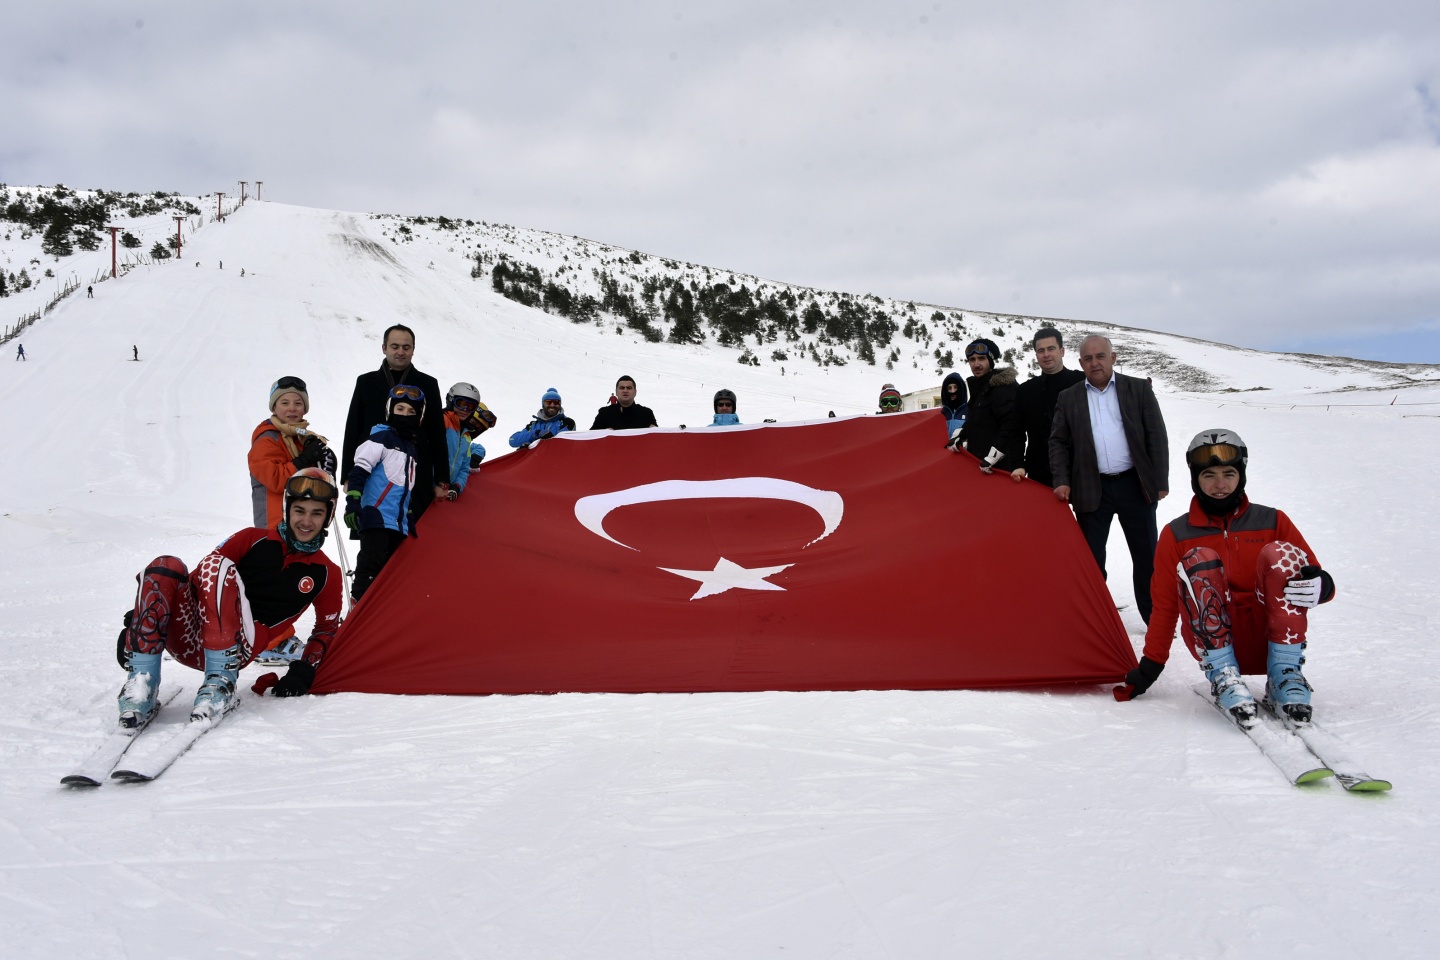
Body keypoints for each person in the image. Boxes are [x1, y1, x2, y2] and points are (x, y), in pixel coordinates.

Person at [1117, 430, 1335, 725]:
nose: (1220, 484)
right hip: (1214, 644)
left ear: (1241, 475)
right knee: (1199, 558)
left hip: (1271, 639)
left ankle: (1285, 674)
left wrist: (1322, 585)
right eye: (1209, 475)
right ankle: (1224, 676)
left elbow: (1313, 573)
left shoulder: (1273, 521)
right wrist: (1151, 665)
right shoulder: (1177, 533)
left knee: (1281, 552)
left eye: (1229, 473)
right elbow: (1165, 606)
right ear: (1195, 478)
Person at [114, 468, 343, 727]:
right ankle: (141, 684)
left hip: (239, 649)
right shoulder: (251, 539)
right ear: (288, 509)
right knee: (166, 566)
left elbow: (326, 629)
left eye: (317, 513)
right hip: (190, 640)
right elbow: (196, 582)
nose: (306, 521)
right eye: (300, 510)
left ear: (327, 517)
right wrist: (142, 623)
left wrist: (306, 669)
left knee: (219, 568)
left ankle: (220, 683)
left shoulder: (327, 573)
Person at [1049, 334, 1169, 623]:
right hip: (1091, 488)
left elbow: (1156, 435)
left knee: (1146, 557)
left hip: (1134, 485)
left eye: (1100, 356)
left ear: (1112, 358)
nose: (1095, 363)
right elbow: (1058, 442)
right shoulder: (1069, 397)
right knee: (1091, 560)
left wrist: (1160, 481)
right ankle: (1096, 619)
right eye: (1088, 359)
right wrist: (1062, 480)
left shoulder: (1138, 389)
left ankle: (1153, 618)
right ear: (1080, 363)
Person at [342, 324, 447, 521]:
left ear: (413, 349)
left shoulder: (428, 384)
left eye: (406, 347)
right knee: (373, 534)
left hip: (416, 472)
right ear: (384, 348)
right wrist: (348, 475)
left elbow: (437, 433)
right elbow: (353, 428)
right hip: (372, 472)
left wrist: (442, 479)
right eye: (395, 346)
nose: (400, 352)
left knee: (412, 538)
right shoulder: (366, 382)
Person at [346, 385, 425, 601]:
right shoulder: (380, 438)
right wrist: (353, 502)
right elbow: (359, 470)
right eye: (400, 409)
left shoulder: (411, 448)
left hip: (397, 522)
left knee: (388, 575)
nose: (405, 415)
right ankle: (356, 613)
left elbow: (405, 485)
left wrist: (408, 513)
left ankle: (375, 620)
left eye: (411, 412)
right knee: (370, 567)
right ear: (391, 410)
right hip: (376, 515)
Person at [248, 376, 337, 528]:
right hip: (274, 527)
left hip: (304, 527)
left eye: (298, 403)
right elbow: (274, 479)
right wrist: (304, 460)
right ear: (274, 408)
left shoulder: (303, 439)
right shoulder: (267, 439)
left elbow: (315, 485)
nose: (292, 408)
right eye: (284, 403)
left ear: (305, 408)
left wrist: (326, 466)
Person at [1016, 327, 1085, 488]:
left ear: (1062, 351)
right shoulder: (1026, 391)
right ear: (1036, 356)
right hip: (1041, 472)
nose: (1046, 354)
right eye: (1041, 350)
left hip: (1081, 471)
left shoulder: (1082, 382)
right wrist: (1019, 463)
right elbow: (1016, 432)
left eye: (1051, 348)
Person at [950, 339, 1024, 480]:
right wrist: (961, 434)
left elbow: (1011, 425)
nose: (976, 364)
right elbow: (976, 420)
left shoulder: (1001, 388)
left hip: (999, 469)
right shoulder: (980, 388)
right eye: (972, 360)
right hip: (980, 465)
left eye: (981, 358)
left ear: (990, 360)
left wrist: (995, 455)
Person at [441, 382, 483, 500]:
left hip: (444, 493)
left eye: (471, 406)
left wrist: (457, 487)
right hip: (427, 488)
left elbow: (464, 468)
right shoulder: (441, 421)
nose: (465, 409)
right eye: (460, 403)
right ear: (451, 400)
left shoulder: (466, 435)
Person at [510, 388, 576, 447]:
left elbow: (562, 442)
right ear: (543, 404)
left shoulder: (568, 422)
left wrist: (534, 443)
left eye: (556, 402)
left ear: (559, 405)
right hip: (537, 460)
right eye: (548, 402)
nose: (552, 405)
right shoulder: (533, 425)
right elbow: (512, 440)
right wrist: (535, 434)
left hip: (558, 459)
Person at [590, 375, 658, 430]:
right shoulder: (604, 414)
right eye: (622, 388)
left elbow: (657, 441)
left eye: (629, 388)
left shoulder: (646, 414)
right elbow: (591, 439)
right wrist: (603, 433)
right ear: (616, 392)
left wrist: (654, 431)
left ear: (635, 392)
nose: (625, 390)